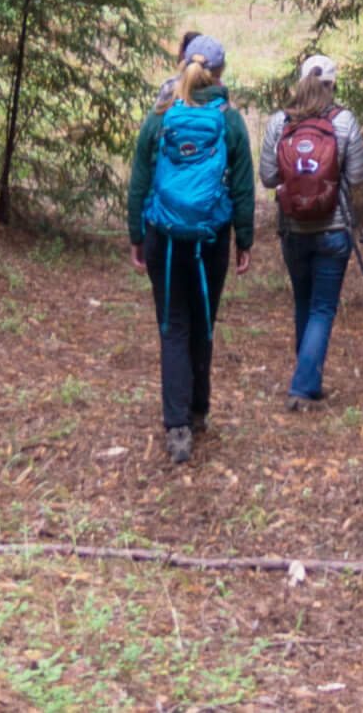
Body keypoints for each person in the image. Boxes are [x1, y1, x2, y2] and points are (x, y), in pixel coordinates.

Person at [126, 34, 255, 463]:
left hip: (162, 235)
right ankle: (199, 410)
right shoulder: (229, 120)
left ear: (183, 66)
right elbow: (241, 186)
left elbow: (140, 177)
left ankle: (176, 427)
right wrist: (245, 239)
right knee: (203, 320)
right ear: (219, 73)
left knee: (173, 325)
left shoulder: (161, 114)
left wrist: (136, 235)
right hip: (211, 237)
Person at [258, 54, 363, 410]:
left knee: (304, 303)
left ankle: (305, 378)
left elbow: (268, 177)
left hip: (293, 227)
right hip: (333, 228)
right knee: (323, 308)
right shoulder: (344, 121)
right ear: (332, 85)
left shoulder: (280, 122)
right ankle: (304, 386)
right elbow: (356, 177)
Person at [152, 30, 202, 111]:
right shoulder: (215, 88)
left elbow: (154, 121)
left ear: (184, 53)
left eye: (180, 47)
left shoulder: (169, 87)